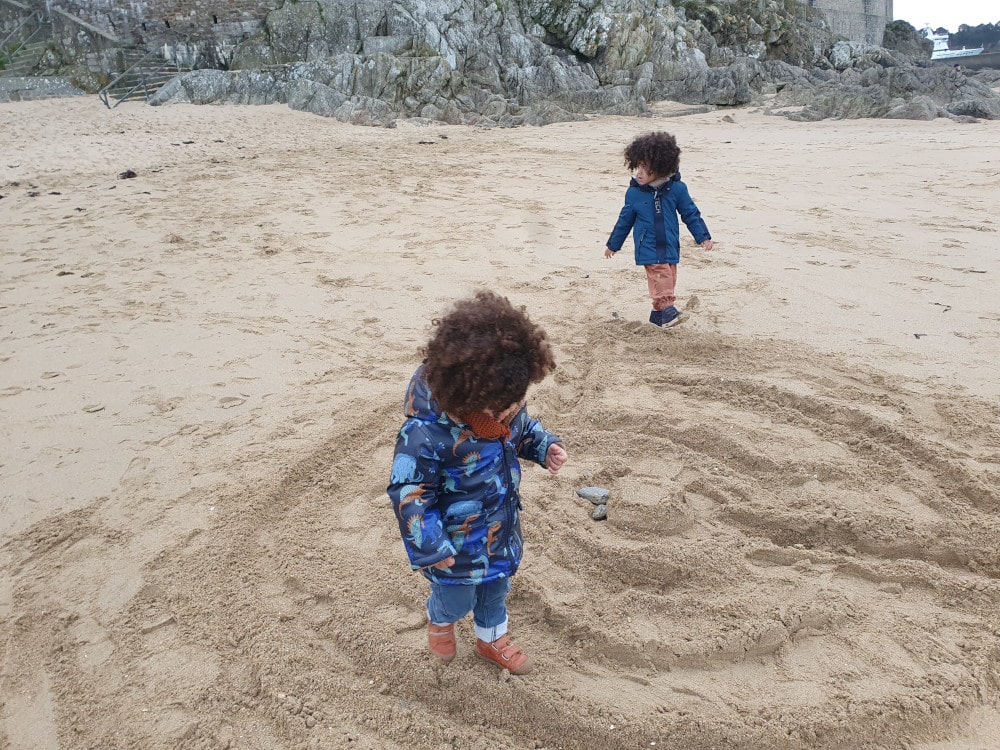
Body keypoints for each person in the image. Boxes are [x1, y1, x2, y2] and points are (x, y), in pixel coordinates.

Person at [387, 291, 568, 675]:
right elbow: (409, 493)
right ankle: (440, 618)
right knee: (458, 599)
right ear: (466, 395)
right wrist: (430, 546)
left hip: (500, 531)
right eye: (503, 407)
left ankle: (491, 640)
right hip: (454, 545)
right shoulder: (425, 434)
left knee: (496, 592)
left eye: (516, 403)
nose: (511, 412)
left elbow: (521, 430)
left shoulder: (504, 405)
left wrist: (543, 445)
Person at [605, 131, 714, 327]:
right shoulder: (634, 194)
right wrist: (613, 244)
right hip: (648, 246)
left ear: (661, 168)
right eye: (637, 167)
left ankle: (657, 315)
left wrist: (702, 237)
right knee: (661, 276)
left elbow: (690, 213)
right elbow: (624, 221)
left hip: (670, 245)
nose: (639, 173)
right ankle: (669, 312)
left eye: (645, 169)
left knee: (669, 277)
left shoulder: (677, 189)